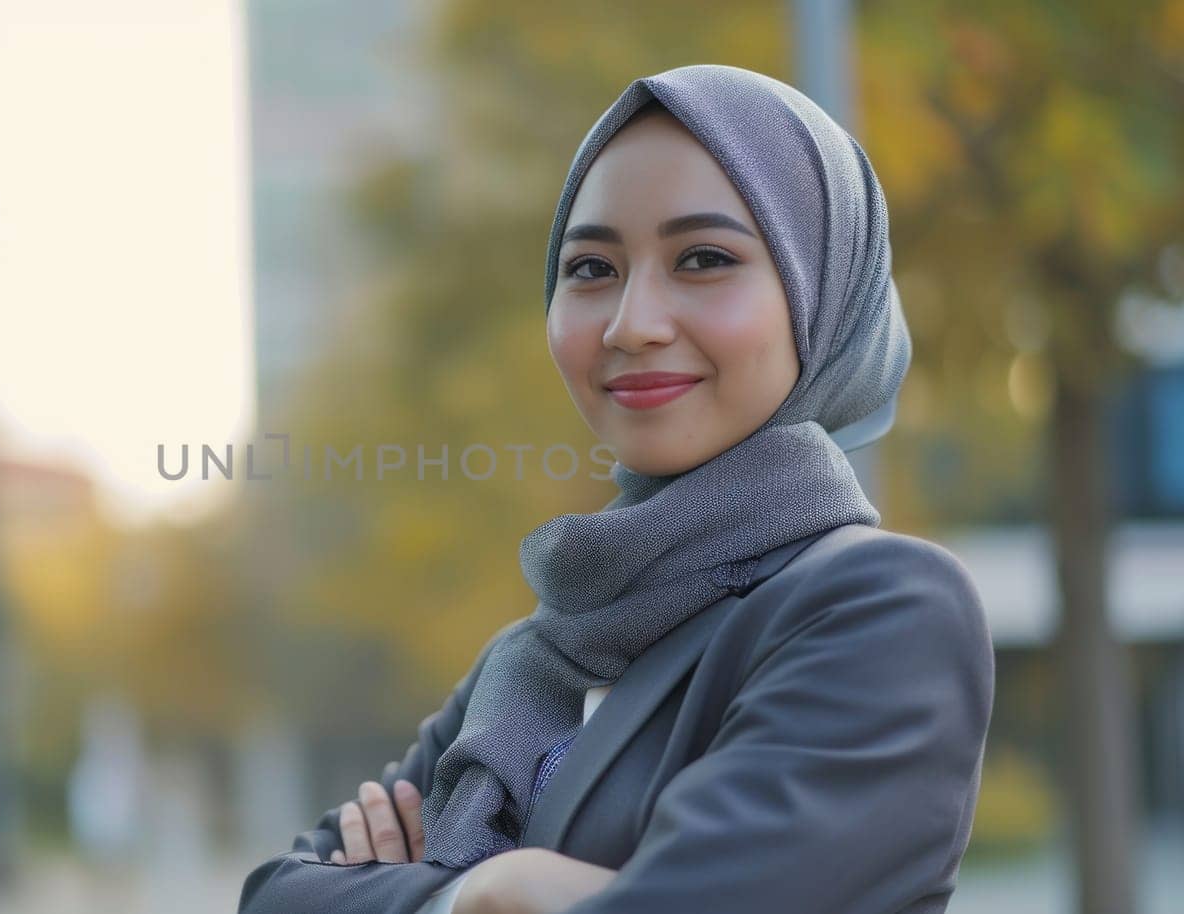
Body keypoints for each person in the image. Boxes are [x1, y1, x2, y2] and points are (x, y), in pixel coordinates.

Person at [239, 63, 995, 914]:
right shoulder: (545, 650)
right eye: (591, 268)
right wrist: (482, 895)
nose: (633, 324)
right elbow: (277, 895)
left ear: (823, 292)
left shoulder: (883, 607)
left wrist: (461, 887)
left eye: (705, 259)